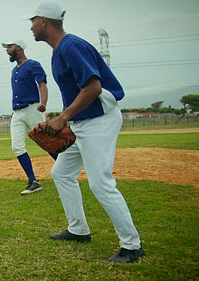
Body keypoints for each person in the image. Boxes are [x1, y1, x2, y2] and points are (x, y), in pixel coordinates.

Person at [26, 0, 144, 263]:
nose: (31, 26)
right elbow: (78, 91)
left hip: (99, 120)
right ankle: (78, 230)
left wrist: (64, 117)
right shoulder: (59, 51)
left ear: (44, 20)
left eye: (32, 20)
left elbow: (93, 88)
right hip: (81, 123)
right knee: (62, 173)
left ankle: (132, 246)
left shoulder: (72, 46)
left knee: (100, 182)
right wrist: (64, 119)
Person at [1, 38, 57, 196]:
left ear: (18, 47)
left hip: (33, 109)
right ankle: (33, 181)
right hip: (17, 113)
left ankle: (66, 170)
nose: (7, 50)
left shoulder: (33, 65)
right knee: (17, 147)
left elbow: (42, 85)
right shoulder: (14, 70)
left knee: (46, 143)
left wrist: (43, 103)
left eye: (9, 46)